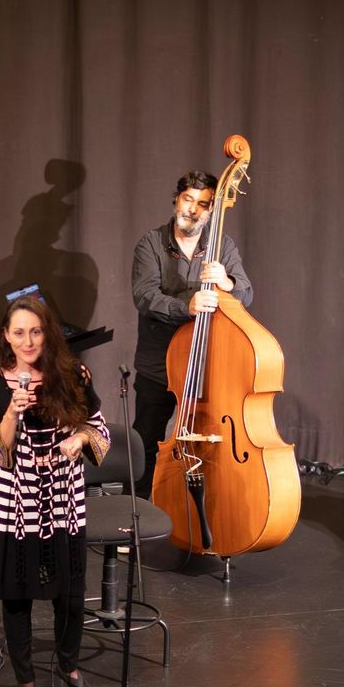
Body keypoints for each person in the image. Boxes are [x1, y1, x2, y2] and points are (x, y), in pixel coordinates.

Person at [0, 297, 110, 687]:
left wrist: (80, 440)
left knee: (70, 597)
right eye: (18, 333)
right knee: (18, 600)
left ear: (47, 333)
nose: (28, 341)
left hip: (63, 503)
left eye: (35, 331)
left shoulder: (74, 375)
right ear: (6, 337)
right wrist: (13, 409)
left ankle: (70, 669)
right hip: (14, 507)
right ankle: (26, 686)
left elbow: (100, 426)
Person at [130, 170, 254, 496]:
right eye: (188, 200)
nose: (193, 210)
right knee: (145, 443)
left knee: (208, 447)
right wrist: (187, 306)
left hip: (205, 368)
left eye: (203, 204)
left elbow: (247, 294)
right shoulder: (151, 243)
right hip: (159, 367)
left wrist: (228, 283)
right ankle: (135, 522)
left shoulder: (222, 245)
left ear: (212, 210)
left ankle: (204, 520)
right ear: (176, 199)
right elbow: (145, 296)